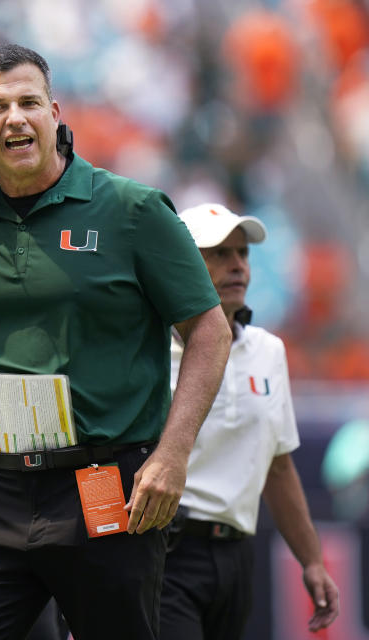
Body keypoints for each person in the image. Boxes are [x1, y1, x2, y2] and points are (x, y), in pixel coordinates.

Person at [0, 43, 232, 639]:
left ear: (55, 113)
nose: (15, 117)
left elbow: (208, 330)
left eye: (28, 102)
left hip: (102, 482)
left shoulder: (131, 209)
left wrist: (172, 454)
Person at [161, 203, 340, 639]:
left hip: (238, 554)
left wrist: (312, 560)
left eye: (243, 254)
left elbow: (278, 467)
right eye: (220, 254)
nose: (238, 265)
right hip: (163, 552)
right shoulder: (146, 348)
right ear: (182, 263)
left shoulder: (268, 350)